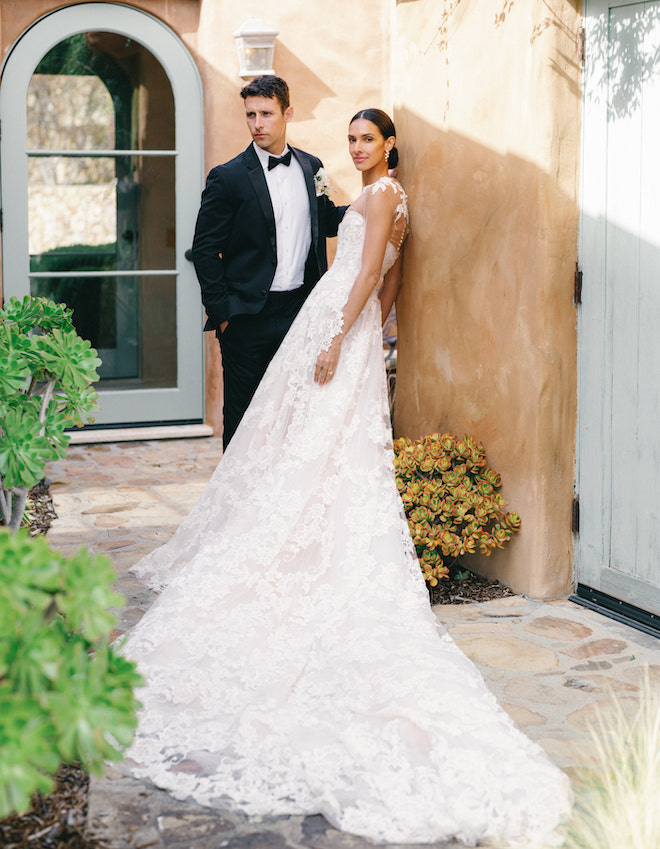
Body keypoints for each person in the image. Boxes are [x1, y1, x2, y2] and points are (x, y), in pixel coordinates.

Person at [120, 109, 572, 846]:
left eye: (368, 138)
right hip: (341, 323)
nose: (357, 148)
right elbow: (387, 282)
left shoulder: (386, 194)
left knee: (325, 446)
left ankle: (302, 541)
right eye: (353, 139)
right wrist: (373, 328)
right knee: (302, 442)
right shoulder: (379, 196)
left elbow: (369, 273)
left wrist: (340, 336)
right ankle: (291, 527)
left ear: (389, 144)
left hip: (337, 323)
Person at [191, 75, 347, 448]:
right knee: (243, 422)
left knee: (295, 414)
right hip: (246, 318)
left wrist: (372, 200)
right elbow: (204, 249)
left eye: (266, 113)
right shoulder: (227, 177)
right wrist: (224, 312)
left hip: (300, 312)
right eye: (250, 115)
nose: (257, 124)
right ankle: (234, 506)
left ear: (287, 113)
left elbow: (326, 222)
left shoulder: (313, 167)